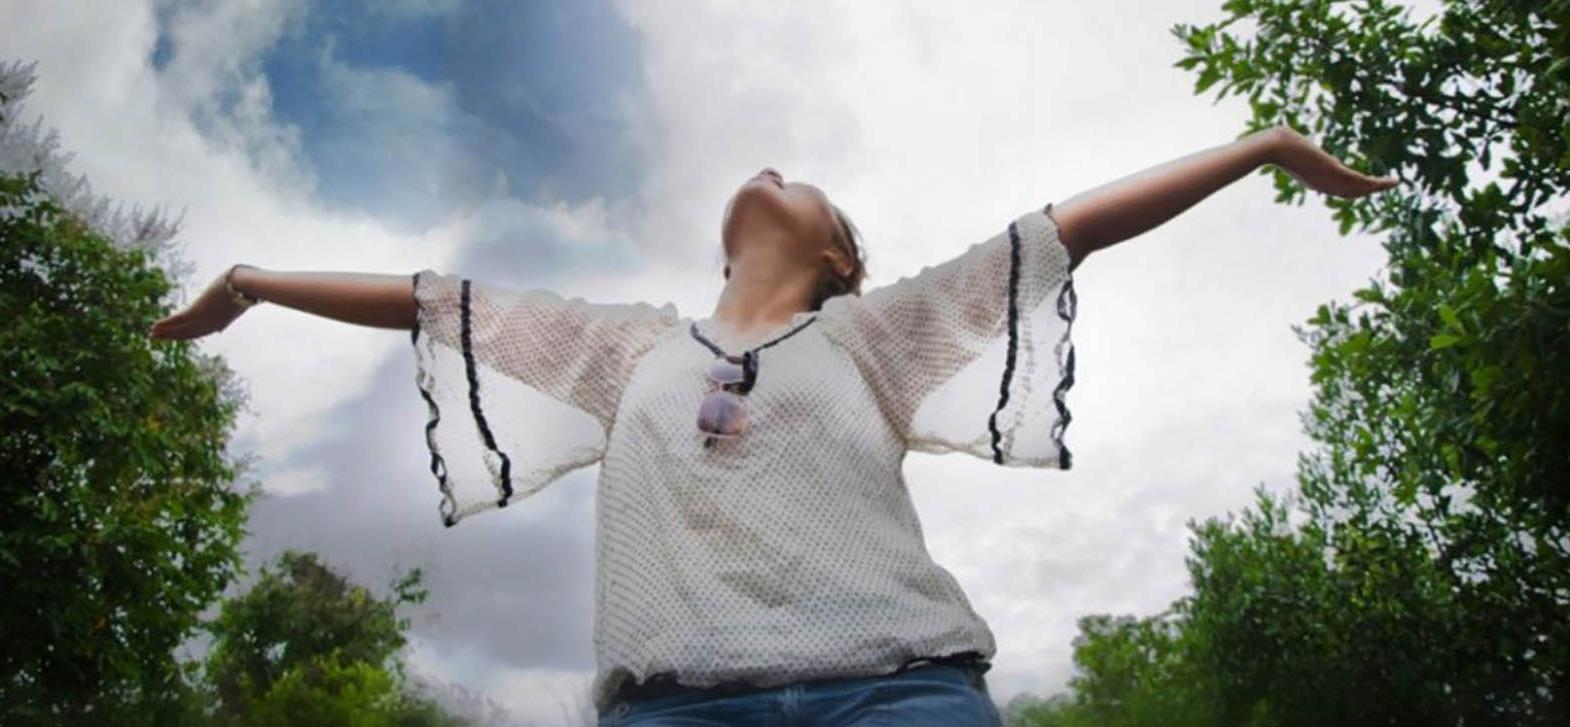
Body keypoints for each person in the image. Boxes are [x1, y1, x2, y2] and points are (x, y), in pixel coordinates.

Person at [148, 125, 1398, 725]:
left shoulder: (875, 332)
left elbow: (1067, 229)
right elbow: (433, 303)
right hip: (677, 709)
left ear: (839, 252)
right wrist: (255, 282)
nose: (772, 165)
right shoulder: (625, 346)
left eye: (803, 183)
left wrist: (1261, 149)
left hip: (899, 697)